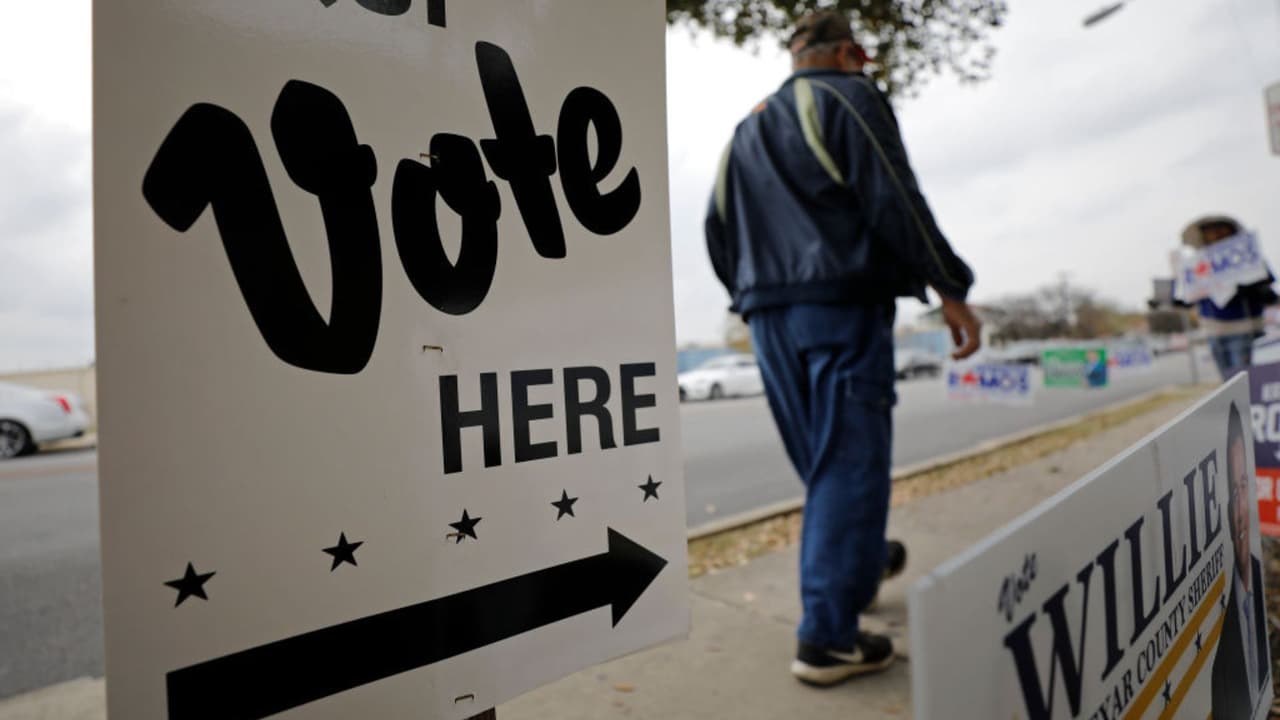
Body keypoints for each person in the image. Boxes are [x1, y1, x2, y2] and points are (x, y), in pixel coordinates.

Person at [704, 9, 982, 686]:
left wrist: (753, 294)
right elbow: (894, 197)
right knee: (849, 463)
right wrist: (949, 285)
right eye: (861, 57)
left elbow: (716, 228)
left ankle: (857, 567)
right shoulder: (848, 99)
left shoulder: (746, 127)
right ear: (847, 52)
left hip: (766, 315)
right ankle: (827, 638)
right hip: (840, 306)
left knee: (827, 462)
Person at [1211, 402, 1270, 719]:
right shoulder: (1220, 645)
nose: (1239, 511)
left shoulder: (1261, 581)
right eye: (1232, 492)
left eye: (1244, 486)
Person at [1181, 215, 1278, 381]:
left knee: (1246, 383)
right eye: (1210, 232)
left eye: (1220, 230)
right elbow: (1188, 295)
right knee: (1228, 384)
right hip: (1214, 332)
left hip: (1244, 328)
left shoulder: (1245, 255)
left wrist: (1249, 284)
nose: (1216, 235)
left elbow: (1267, 283)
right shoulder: (1197, 263)